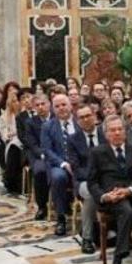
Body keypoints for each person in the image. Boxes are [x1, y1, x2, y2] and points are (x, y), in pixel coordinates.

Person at [86, 115, 132, 264]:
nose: (117, 133)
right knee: (127, 212)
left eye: (120, 129)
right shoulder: (97, 152)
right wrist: (104, 196)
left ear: (125, 131)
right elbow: (92, 182)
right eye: (112, 130)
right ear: (106, 134)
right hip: (112, 195)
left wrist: (130, 190)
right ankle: (118, 260)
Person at [67, 104, 104, 254]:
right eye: (81, 117)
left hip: (107, 178)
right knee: (90, 194)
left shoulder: (104, 133)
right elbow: (76, 168)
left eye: (88, 116)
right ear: (77, 121)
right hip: (84, 181)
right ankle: (87, 238)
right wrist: (95, 177)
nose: (85, 119)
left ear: (94, 116)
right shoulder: (73, 139)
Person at [42, 93, 79, 237]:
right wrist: (63, 164)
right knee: (58, 177)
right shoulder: (48, 126)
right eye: (57, 106)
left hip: (79, 162)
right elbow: (47, 150)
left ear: (70, 105)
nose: (61, 108)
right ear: (53, 109)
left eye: (64, 104)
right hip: (58, 164)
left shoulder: (79, 122)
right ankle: (61, 218)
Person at [0, 87, 25, 195]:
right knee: (8, 148)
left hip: (22, 140)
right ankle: (10, 177)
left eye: (17, 101)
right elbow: (4, 131)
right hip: (11, 141)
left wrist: (16, 133)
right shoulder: (4, 117)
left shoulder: (25, 114)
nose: (16, 103)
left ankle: (10, 178)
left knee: (15, 148)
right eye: (13, 101)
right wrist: (7, 136)